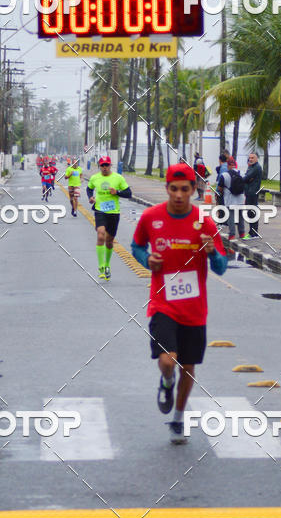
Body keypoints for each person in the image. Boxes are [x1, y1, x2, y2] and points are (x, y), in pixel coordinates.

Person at [131, 162, 227, 443]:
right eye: (174, 189)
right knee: (167, 359)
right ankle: (166, 380)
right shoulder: (151, 217)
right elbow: (137, 245)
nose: (179, 195)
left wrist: (212, 253)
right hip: (163, 304)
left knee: (188, 366)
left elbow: (222, 267)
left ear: (192, 189)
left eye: (185, 189)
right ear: (167, 189)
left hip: (195, 309)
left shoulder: (205, 222)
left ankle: (179, 417)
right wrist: (146, 259)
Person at [87, 156, 132, 280]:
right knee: (101, 235)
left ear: (110, 165)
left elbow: (129, 193)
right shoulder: (95, 178)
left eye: (107, 165)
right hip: (100, 210)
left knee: (109, 241)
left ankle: (107, 265)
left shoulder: (118, 178)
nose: (105, 167)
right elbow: (89, 188)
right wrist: (90, 197)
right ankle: (101, 266)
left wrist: (117, 192)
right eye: (102, 165)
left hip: (113, 212)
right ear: (99, 166)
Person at [217, 156, 246, 239]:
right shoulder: (242, 173)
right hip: (240, 198)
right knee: (240, 216)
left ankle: (232, 234)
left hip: (230, 200)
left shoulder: (224, 175)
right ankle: (242, 233)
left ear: (228, 165)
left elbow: (220, 188)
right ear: (235, 164)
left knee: (231, 217)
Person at [242, 151, 263, 239]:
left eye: (252, 158)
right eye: (249, 158)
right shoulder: (251, 167)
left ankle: (253, 233)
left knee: (252, 213)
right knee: (250, 213)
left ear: (257, 158)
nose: (250, 159)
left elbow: (245, 178)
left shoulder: (256, 167)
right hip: (249, 193)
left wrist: (247, 179)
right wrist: (247, 179)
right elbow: (246, 178)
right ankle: (252, 232)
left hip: (253, 193)